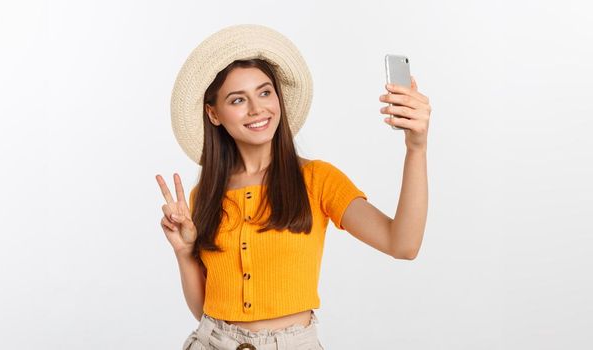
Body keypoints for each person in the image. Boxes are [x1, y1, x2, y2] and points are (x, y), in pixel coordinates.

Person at [155, 24, 431, 350]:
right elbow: (204, 310)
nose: (257, 109)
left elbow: (403, 244)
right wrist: (184, 253)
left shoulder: (317, 180)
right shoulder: (204, 194)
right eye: (237, 99)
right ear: (213, 114)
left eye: (265, 92)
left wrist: (416, 148)